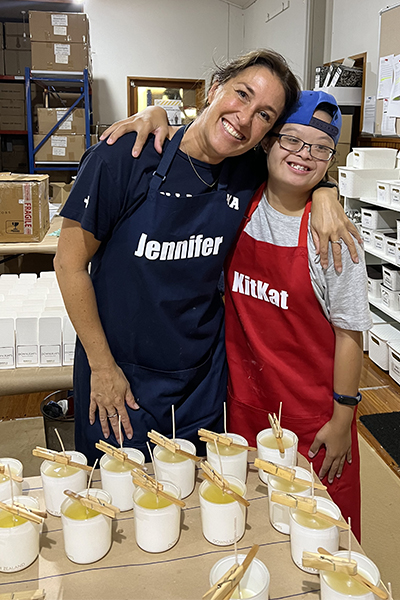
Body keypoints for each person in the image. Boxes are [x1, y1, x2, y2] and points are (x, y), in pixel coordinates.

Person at [55, 49, 358, 466]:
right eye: (242, 94)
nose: (246, 117)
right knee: (120, 502)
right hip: (121, 375)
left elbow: (297, 168)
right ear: (214, 89)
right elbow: (68, 264)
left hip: (203, 382)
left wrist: (327, 194)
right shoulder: (127, 157)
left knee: (200, 503)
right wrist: (102, 368)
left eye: (266, 115)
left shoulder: (245, 170)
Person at [224, 91, 371, 541]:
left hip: (314, 422)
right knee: (249, 530)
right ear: (268, 142)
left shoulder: (334, 239)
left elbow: (350, 335)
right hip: (244, 409)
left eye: (320, 147)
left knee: (323, 540)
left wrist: (343, 419)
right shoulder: (235, 207)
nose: (304, 155)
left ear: (331, 159)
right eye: (292, 140)